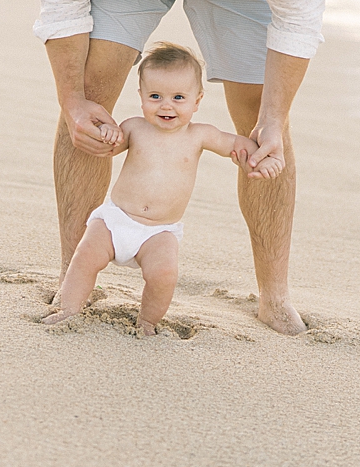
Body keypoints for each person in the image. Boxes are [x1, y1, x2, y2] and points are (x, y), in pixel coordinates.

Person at [35, 0, 324, 334]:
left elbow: (298, 21)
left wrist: (277, 121)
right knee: (90, 96)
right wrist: (71, 101)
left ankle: (274, 297)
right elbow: (62, 3)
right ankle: (71, 276)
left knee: (260, 124)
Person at [42, 43, 282, 335]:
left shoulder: (201, 135)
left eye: (178, 98)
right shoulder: (134, 127)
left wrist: (259, 160)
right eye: (155, 96)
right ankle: (68, 308)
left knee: (164, 275)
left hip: (159, 231)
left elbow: (238, 145)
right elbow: (110, 148)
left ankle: (147, 323)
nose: (166, 105)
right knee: (83, 259)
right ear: (141, 97)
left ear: (197, 101)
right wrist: (107, 134)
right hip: (115, 220)